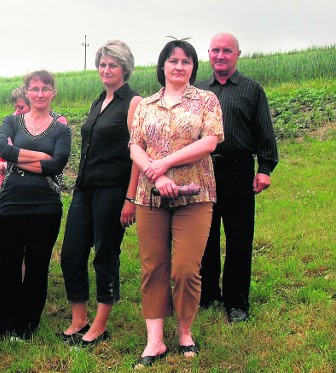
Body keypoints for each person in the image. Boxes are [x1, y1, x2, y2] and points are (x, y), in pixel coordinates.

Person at [128, 40, 224, 368]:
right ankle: (154, 341)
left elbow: (210, 141)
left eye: (186, 61)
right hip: (151, 196)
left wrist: (165, 163)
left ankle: (185, 331)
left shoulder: (206, 100)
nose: (179, 66)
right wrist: (157, 177)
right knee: (153, 267)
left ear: (193, 67)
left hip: (195, 195)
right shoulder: (146, 104)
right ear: (163, 66)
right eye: (173, 61)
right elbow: (135, 146)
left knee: (185, 268)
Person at [59, 40, 142, 346]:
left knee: (105, 254)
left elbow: (138, 152)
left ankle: (99, 324)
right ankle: (79, 318)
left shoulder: (133, 102)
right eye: (103, 65)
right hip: (84, 188)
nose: (106, 70)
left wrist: (130, 198)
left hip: (113, 189)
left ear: (125, 69)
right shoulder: (98, 102)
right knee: (71, 253)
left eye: (113, 65)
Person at [195, 33, 279, 323]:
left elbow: (264, 131)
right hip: (202, 170)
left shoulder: (251, 89)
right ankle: (207, 295)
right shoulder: (197, 91)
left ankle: (236, 302)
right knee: (205, 236)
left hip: (237, 170)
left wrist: (265, 168)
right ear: (208, 54)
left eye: (227, 51)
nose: (221, 55)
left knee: (239, 238)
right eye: (216, 50)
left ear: (237, 54)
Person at [0, 70, 72, 340]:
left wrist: (18, 158)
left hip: (45, 205)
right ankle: (1, 324)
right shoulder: (12, 122)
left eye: (45, 89)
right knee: (7, 264)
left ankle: (25, 326)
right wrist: (40, 156)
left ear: (53, 92)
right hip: (11, 203)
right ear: (26, 91)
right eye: (34, 89)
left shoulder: (61, 128)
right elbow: (4, 150)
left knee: (36, 267)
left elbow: (57, 164)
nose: (39, 94)